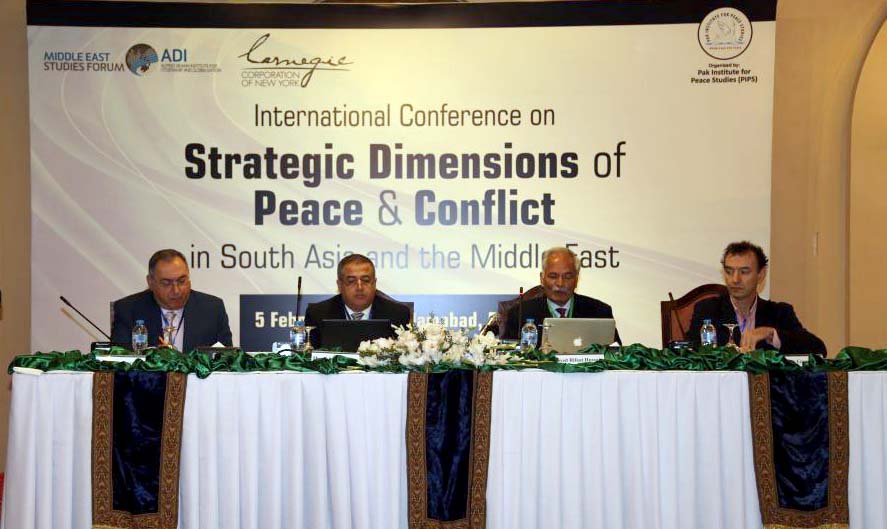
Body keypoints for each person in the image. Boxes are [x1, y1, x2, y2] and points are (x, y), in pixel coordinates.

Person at [687, 241, 826, 354]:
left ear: (761, 274)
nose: (735, 279)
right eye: (729, 272)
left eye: (744, 272)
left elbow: (818, 349)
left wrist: (771, 334)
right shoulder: (708, 310)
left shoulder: (779, 313)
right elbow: (688, 353)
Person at [111, 249, 232, 352]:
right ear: (150, 282)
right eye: (166, 283)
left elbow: (227, 359)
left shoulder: (212, 309)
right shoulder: (128, 310)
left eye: (181, 281)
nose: (176, 290)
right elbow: (120, 360)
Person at [502, 247, 620, 345]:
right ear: (542, 279)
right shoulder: (520, 314)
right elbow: (510, 358)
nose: (560, 283)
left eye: (567, 277)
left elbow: (617, 356)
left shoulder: (600, 312)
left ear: (576, 279)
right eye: (553, 276)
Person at [305, 254, 411, 348]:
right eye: (351, 281)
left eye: (366, 280)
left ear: (374, 283)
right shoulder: (317, 314)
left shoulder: (398, 314)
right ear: (339, 285)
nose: (359, 287)